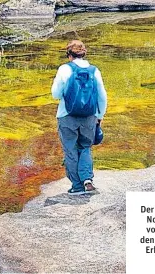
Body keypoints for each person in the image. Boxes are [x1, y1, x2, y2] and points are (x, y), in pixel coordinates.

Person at [51, 40, 108, 195]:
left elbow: (55, 94)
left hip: (66, 115)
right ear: (84, 53)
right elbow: (102, 96)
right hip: (89, 116)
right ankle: (87, 180)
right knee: (85, 147)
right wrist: (100, 115)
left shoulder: (64, 69)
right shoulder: (94, 70)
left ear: (69, 55)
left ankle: (77, 186)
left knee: (70, 150)